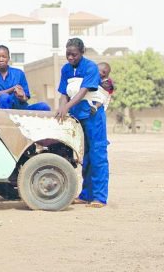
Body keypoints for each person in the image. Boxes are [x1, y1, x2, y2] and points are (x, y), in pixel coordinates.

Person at [55, 38, 110, 208]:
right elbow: (64, 92)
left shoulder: (91, 67)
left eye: (74, 54)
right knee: (84, 157)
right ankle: (86, 195)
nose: (70, 57)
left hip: (93, 116)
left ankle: (100, 197)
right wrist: (61, 108)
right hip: (77, 117)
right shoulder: (65, 69)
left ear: (82, 52)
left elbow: (83, 91)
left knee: (97, 155)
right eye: (68, 54)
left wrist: (67, 107)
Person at [0, 45, 51, 111]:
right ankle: (7, 121)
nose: (1, 59)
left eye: (4, 57)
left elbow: (25, 98)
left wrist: (21, 96)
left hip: (21, 108)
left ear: (8, 58)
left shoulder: (19, 73)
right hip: (1, 109)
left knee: (44, 106)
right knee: (4, 97)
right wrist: (13, 89)